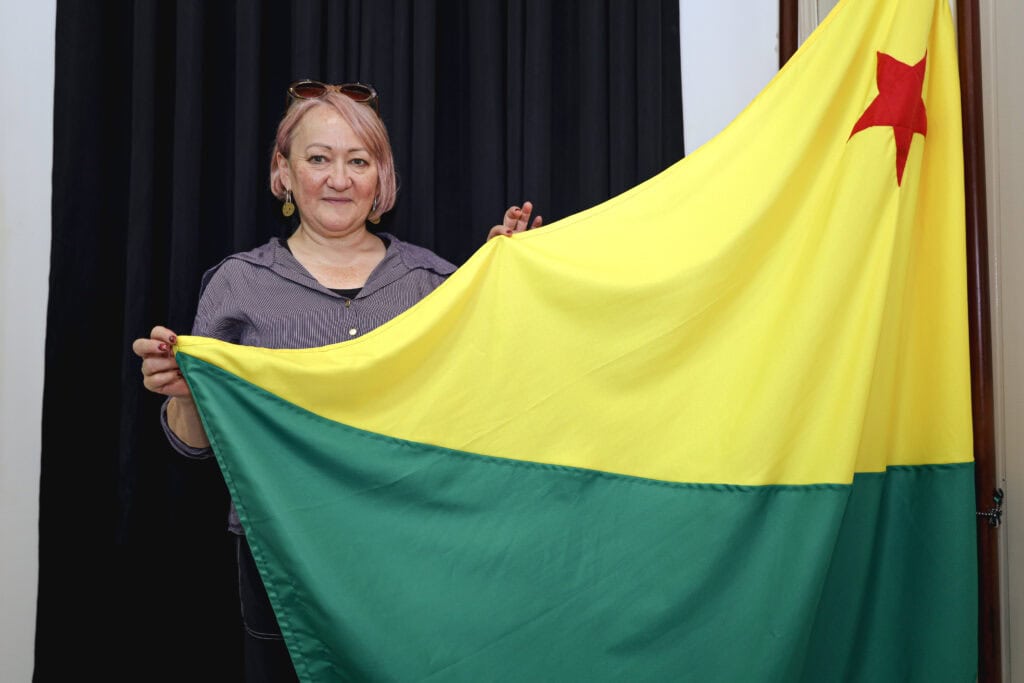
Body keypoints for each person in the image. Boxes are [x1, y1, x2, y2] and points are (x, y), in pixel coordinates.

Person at [132, 80, 541, 682]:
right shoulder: (237, 285)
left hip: (413, 546)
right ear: (284, 172)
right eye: (318, 158)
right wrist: (187, 394)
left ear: (382, 176)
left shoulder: (433, 282)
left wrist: (506, 283)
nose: (338, 178)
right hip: (283, 551)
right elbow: (193, 444)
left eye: (358, 160)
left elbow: (486, 395)